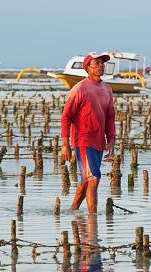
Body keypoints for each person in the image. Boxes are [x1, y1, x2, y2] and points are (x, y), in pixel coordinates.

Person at [61, 52, 115, 214]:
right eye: (97, 63)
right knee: (93, 178)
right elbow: (66, 117)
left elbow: (110, 117)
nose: (101, 66)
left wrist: (111, 139)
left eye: (102, 63)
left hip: (98, 141)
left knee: (86, 180)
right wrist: (65, 144)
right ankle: (93, 220)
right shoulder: (79, 89)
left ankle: (72, 211)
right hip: (83, 140)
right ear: (87, 68)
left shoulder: (107, 89)